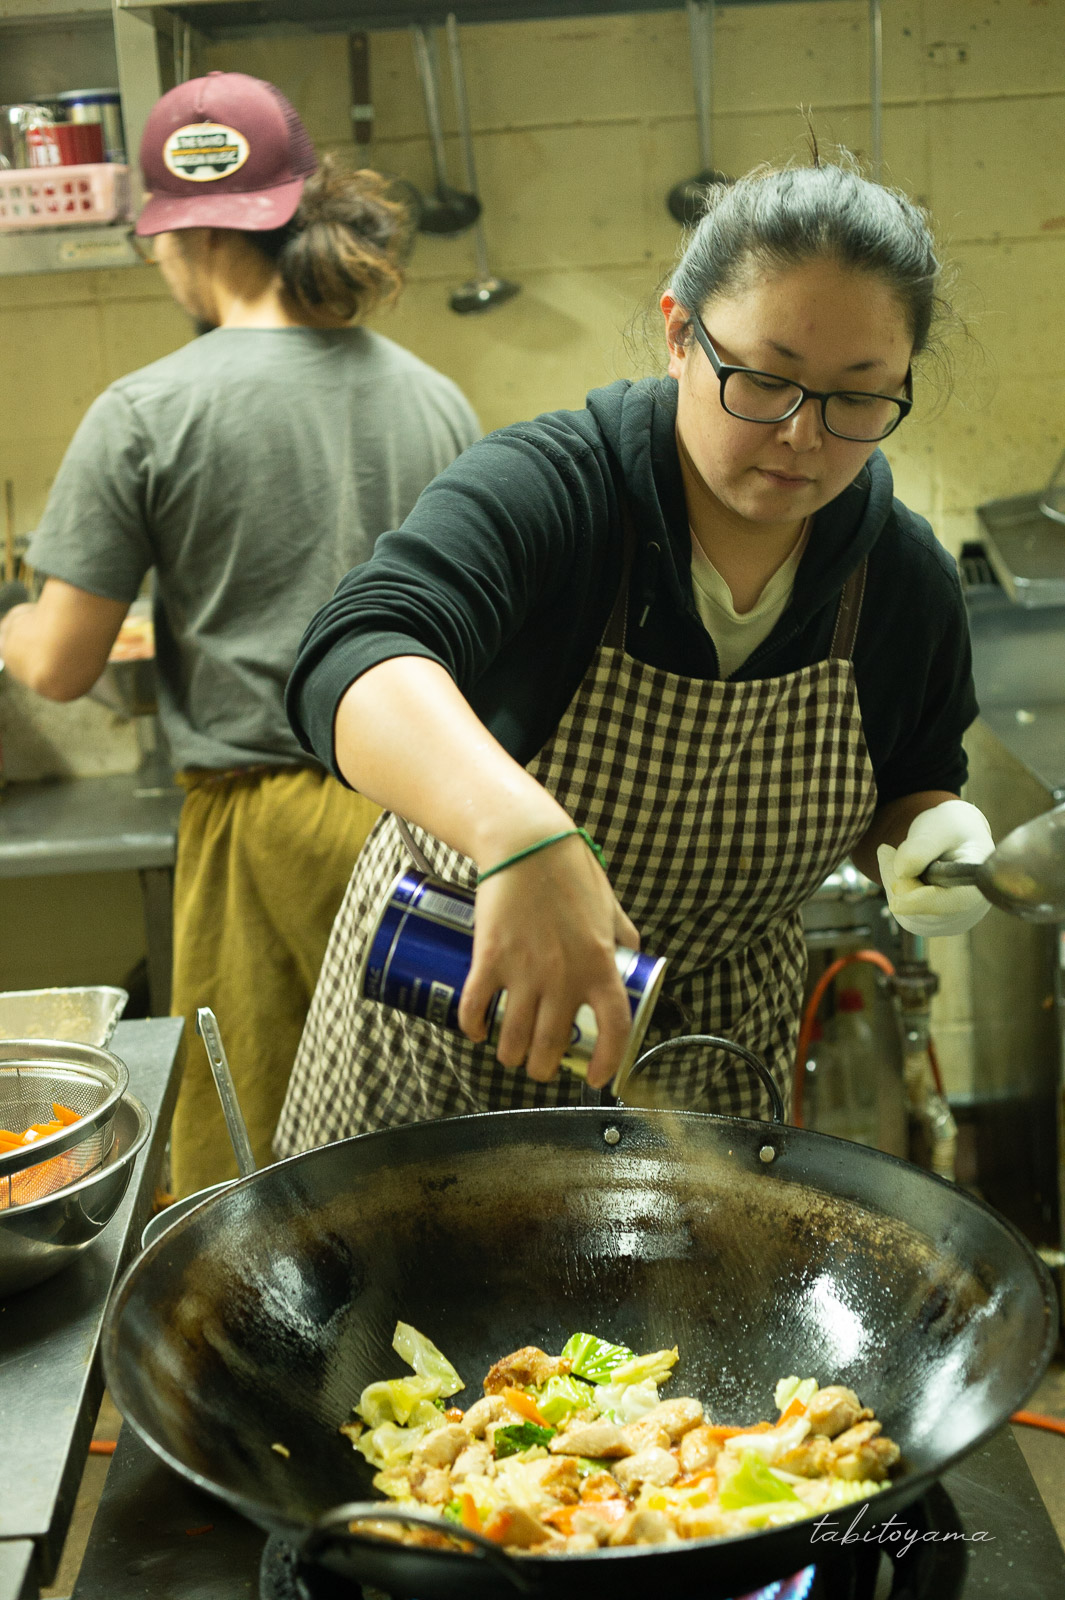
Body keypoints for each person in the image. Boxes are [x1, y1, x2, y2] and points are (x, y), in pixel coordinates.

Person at [273, 157, 995, 1154]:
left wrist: (928, 841)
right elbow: (353, 654)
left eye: (856, 399)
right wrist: (519, 831)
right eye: (764, 378)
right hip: (446, 1065)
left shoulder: (899, 582)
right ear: (678, 335)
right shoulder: (557, 494)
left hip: (701, 1092)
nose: (801, 436)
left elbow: (909, 783)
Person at [0, 71, 480, 1193]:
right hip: (430, 816)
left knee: (261, 1165)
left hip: (261, 834)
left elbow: (64, 662)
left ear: (181, 236)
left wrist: (16, 623)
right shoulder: (432, 397)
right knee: (426, 1148)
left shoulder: (147, 410)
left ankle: (272, 1374)